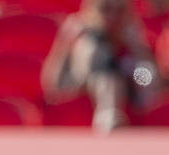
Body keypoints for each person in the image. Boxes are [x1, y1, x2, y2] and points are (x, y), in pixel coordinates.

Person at [41, 0, 158, 130]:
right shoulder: (83, 43)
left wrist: (138, 49)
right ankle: (108, 115)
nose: (112, 16)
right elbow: (54, 86)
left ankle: (110, 116)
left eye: (120, 11)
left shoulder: (132, 45)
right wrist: (66, 44)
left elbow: (149, 89)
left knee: (111, 78)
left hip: (130, 119)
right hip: (82, 115)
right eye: (105, 9)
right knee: (105, 77)